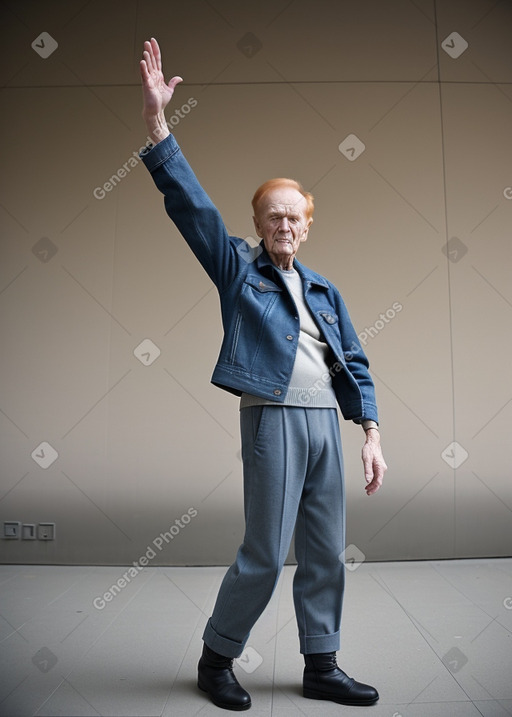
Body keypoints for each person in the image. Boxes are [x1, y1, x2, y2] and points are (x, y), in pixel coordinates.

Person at [139, 37, 387, 712]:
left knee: (325, 549)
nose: (284, 224)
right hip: (271, 417)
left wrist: (369, 430)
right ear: (258, 223)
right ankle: (217, 657)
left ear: (306, 227)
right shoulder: (237, 270)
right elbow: (193, 209)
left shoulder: (326, 291)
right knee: (265, 548)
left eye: (294, 216)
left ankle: (322, 662)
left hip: (322, 428)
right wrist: (160, 126)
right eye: (272, 215)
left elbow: (355, 362)